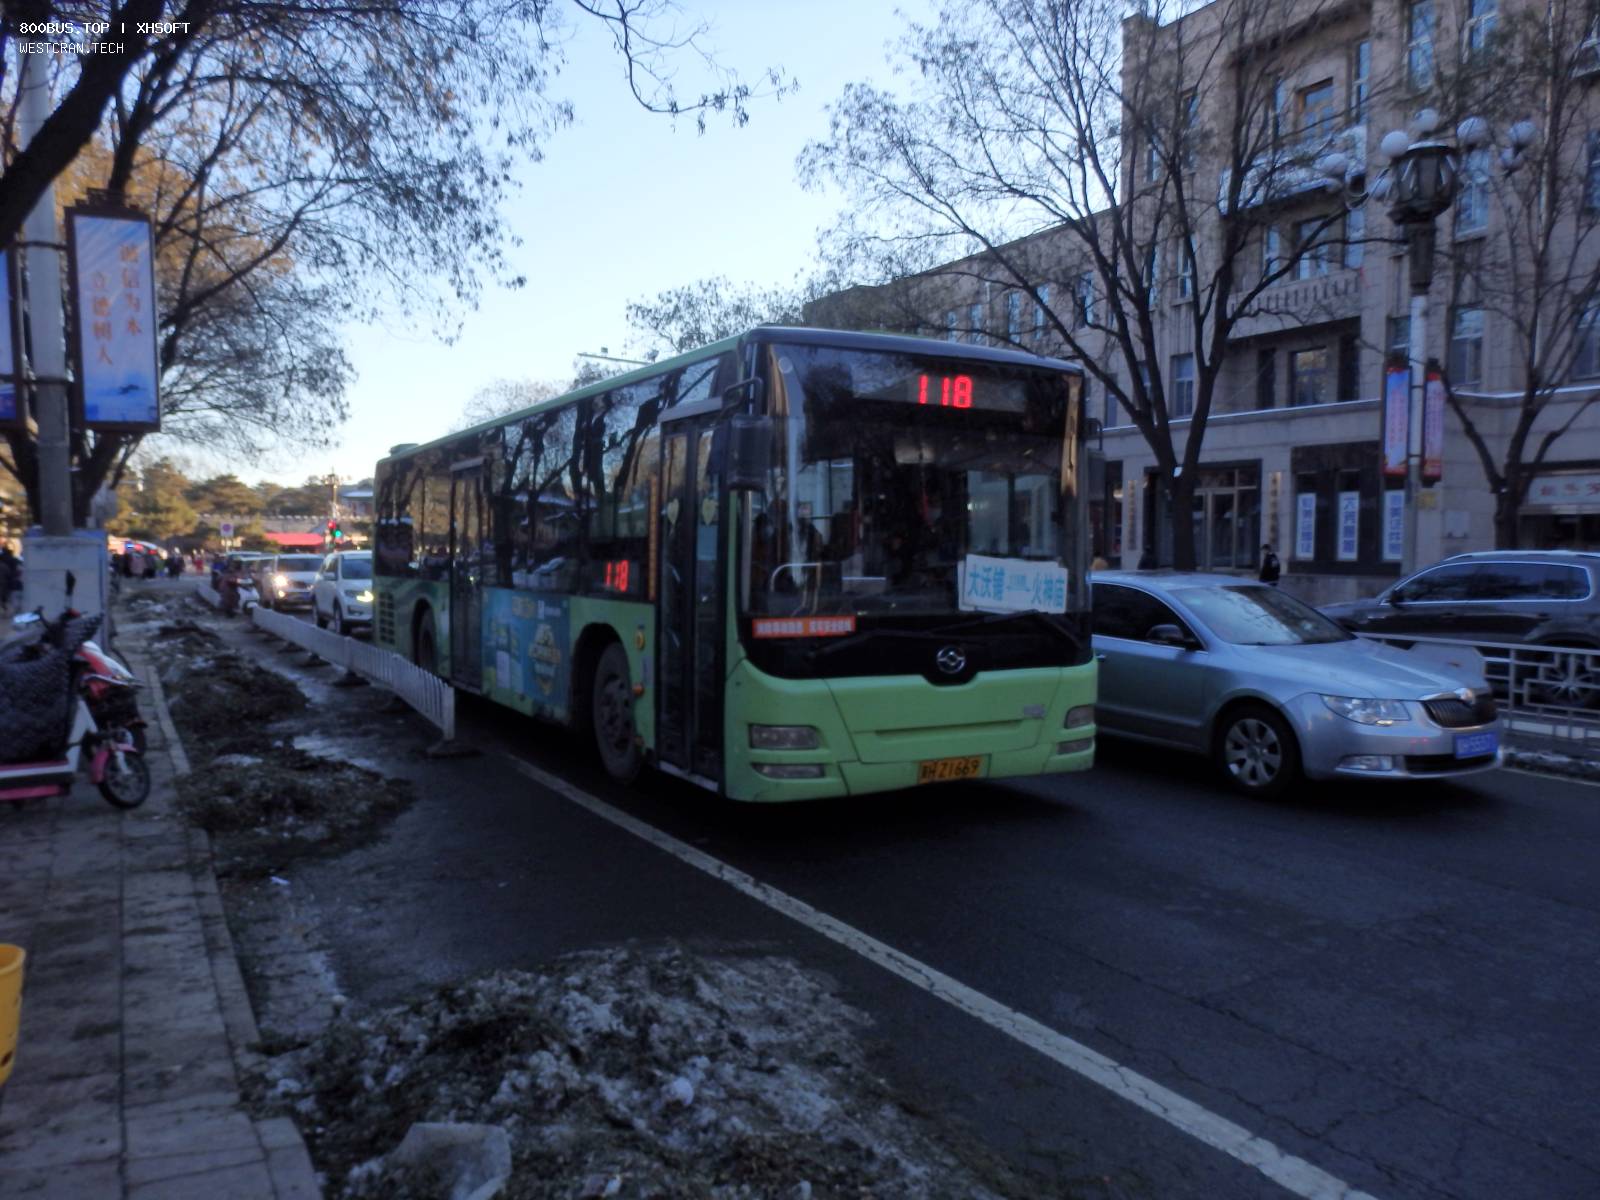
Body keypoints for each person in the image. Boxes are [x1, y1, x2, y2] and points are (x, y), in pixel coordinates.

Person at [0, 542, 19, 614]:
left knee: (4, 597)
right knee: (8, 596)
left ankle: (5, 608)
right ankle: (7, 608)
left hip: (5, 581)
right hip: (9, 581)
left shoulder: (2, 560)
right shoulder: (13, 559)